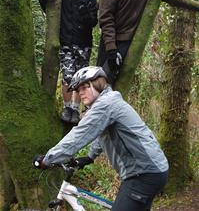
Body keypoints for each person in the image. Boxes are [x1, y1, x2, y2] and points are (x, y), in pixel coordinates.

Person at [33, 66, 169, 211]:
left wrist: (48, 159)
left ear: (96, 84)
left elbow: (79, 135)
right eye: (78, 90)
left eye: (84, 88)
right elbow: (103, 132)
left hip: (143, 174)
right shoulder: (109, 102)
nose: (80, 93)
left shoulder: (105, 105)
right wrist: (90, 157)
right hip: (151, 169)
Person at [97, 0, 179, 85]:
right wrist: (111, 49)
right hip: (110, 41)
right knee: (100, 80)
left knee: (116, 80)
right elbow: (106, 20)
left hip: (129, 40)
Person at [38, 0, 98, 125]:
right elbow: (50, 10)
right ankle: (67, 107)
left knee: (80, 78)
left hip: (83, 43)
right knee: (68, 77)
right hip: (66, 42)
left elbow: (93, 21)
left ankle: (75, 108)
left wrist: (86, 13)